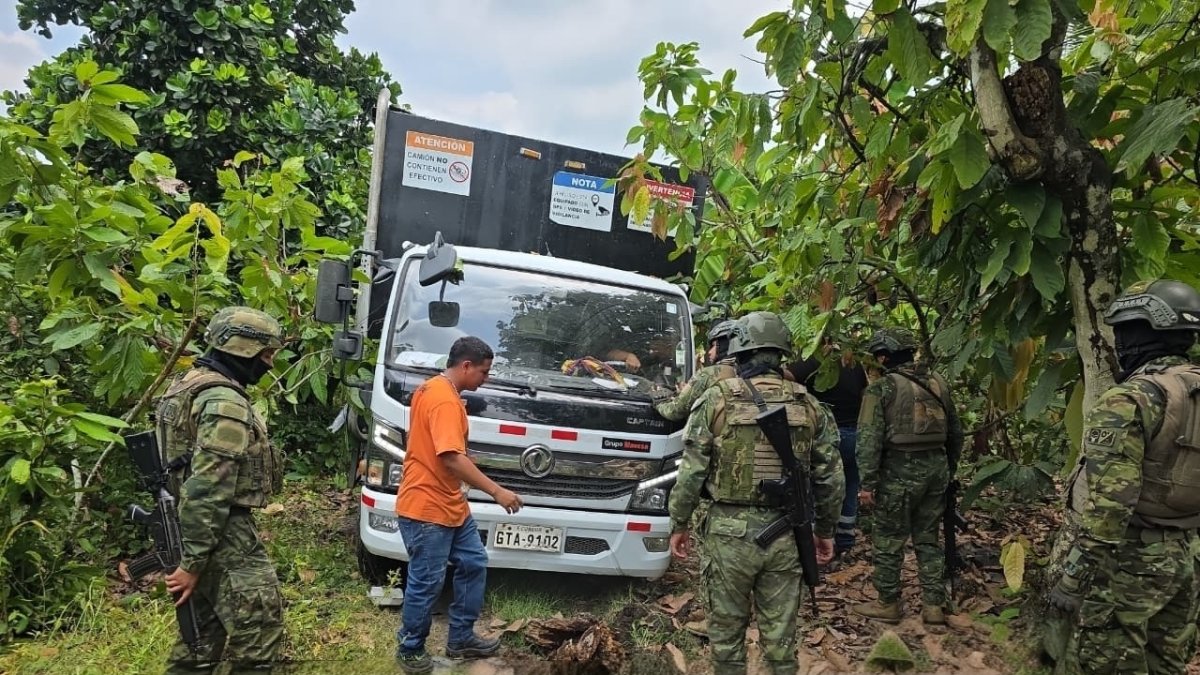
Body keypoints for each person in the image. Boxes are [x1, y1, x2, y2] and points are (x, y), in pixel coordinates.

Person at [668, 311, 844, 675]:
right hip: (786, 534)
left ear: (739, 350)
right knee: (781, 643)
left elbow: (691, 471)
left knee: (726, 637)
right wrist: (825, 531)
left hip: (727, 536)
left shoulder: (716, 398)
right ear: (782, 353)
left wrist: (679, 523)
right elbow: (830, 478)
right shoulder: (809, 404)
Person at [1045, 280, 1200, 675]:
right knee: (1168, 662)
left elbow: (1111, 503)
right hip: (1186, 554)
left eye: (1124, 332)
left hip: (1129, 560)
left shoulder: (1132, 398)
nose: (1120, 343)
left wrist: (1074, 575)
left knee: (1107, 661)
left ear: (1141, 334)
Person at [158, 306, 287, 674]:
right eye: (266, 354)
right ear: (243, 348)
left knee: (202, 635)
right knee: (259, 628)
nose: (270, 364)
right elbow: (209, 487)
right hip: (221, 532)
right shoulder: (224, 402)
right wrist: (192, 562)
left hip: (198, 527)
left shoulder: (189, 382)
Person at [394, 336, 524, 673]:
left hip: (451, 503)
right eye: (484, 372)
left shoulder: (434, 389)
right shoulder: (443, 400)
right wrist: (497, 491)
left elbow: (439, 447)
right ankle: (410, 649)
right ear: (466, 366)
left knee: (473, 562)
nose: (486, 379)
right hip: (427, 508)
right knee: (427, 582)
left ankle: (461, 638)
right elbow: (450, 457)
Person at [852, 327, 961, 625]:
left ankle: (887, 603)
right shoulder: (938, 382)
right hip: (936, 467)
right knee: (928, 538)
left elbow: (868, 439)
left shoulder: (881, 389)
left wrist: (867, 484)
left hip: (898, 470)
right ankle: (933, 605)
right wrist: (948, 469)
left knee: (889, 539)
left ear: (883, 356)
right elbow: (956, 432)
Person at [789, 341, 870, 558]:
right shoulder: (854, 363)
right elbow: (865, 394)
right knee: (850, 485)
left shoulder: (808, 362)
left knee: (815, 487)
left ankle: (818, 542)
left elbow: (785, 380)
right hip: (852, 433)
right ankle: (845, 540)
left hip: (823, 436)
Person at [653, 318, 740, 421]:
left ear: (725, 346)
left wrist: (659, 401)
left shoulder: (708, 374)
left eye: (714, 346)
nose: (709, 352)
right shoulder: (746, 373)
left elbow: (675, 411)